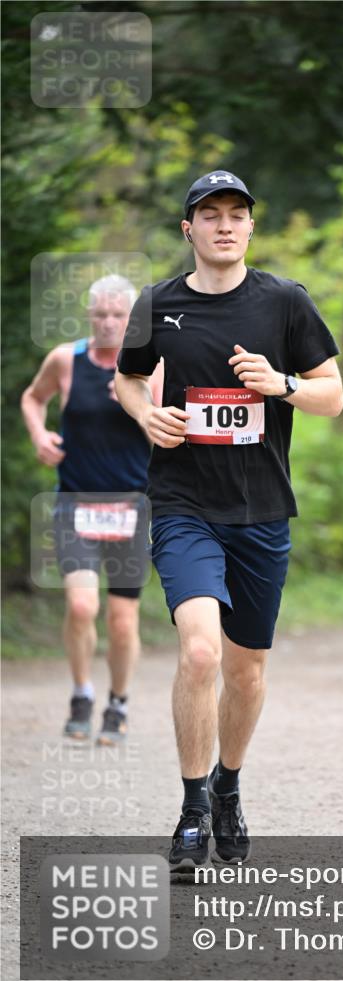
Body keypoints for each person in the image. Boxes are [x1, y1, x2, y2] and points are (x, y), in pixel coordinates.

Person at [115, 169, 343, 871]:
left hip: (262, 510)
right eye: (208, 214)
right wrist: (145, 413)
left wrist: (281, 384)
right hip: (184, 504)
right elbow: (125, 377)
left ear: (249, 227)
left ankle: (227, 789)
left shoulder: (284, 303)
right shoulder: (156, 303)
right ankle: (189, 811)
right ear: (188, 229)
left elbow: (333, 395)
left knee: (245, 671)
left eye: (235, 214)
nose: (223, 224)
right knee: (201, 653)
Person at [21, 275, 162, 744]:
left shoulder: (149, 371)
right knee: (82, 605)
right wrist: (41, 436)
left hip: (130, 507)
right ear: (89, 316)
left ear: (131, 319)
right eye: (99, 314)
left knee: (122, 622)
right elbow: (32, 399)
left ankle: (117, 702)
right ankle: (82, 693)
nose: (107, 324)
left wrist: (138, 407)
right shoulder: (65, 360)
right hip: (76, 504)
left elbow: (167, 437)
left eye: (118, 315)